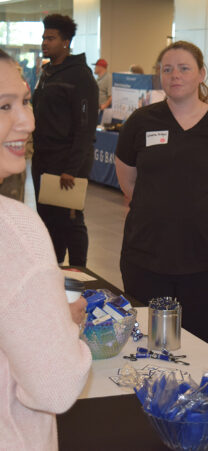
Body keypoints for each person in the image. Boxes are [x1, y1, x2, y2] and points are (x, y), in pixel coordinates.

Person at [115, 41, 208, 347]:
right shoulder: (141, 122)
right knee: (156, 346)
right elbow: (129, 182)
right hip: (149, 259)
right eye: (167, 69)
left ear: (202, 73)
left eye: (184, 68)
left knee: (201, 346)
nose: (174, 75)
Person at [0, 49, 91, 451]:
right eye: (4, 106)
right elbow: (55, 386)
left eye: (24, 101)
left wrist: (41, 317)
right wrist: (63, 329)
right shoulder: (15, 231)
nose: (28, 121)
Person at [32, 14, 98, 266]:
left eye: (51, 38)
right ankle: (54, 267)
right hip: (43, 160)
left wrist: (72, 169)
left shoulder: (80, 76)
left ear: (66, 42)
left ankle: (80, 271)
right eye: (43, 38)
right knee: (48, 218)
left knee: (71, 220)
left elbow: (86, 127)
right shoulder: (48, 73)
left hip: (68, 164)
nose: (45, 43)